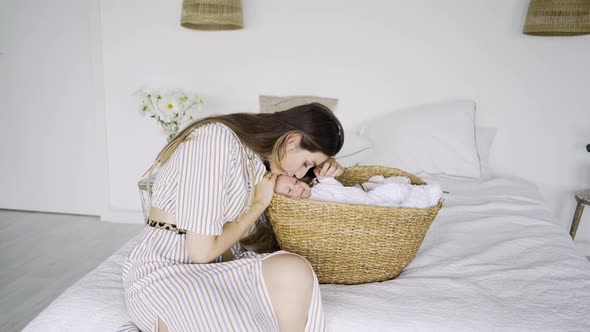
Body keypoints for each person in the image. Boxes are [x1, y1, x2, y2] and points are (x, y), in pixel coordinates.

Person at [121, 103, 344, 332]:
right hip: (168, 267)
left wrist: (324, 178)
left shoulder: (256, 162)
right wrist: (258, 205)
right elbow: (202, 253)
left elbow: (302, 207)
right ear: (292, 140)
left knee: (294, 270)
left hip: (223, 265)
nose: (299, 174)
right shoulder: (214, 140)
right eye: (306, 164)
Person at [274, 174, 442, 209]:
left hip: (368, 197)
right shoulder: (309, 207)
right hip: (367, 208)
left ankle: (418, 190)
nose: (297, 187)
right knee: (395, 208)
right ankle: (420, 200)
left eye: (295, 182)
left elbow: (336, 186)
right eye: (290, 190)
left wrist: (325, 177)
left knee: (393, 190)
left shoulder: (319, 187)